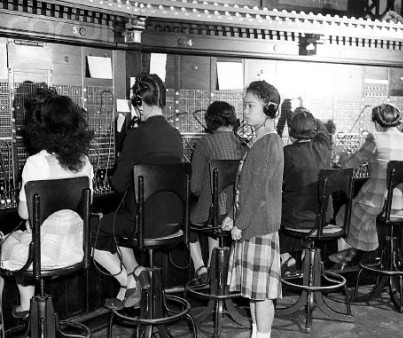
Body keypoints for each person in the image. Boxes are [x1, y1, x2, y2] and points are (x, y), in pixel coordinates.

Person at [91, 72, 183, 310]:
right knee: (117, 228)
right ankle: (134, 278)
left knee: (90, 231)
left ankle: (132, 279)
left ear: (139, 103)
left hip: (140, 222)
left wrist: (123, 147)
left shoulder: (137, 134)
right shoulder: (176, 136)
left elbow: (118, 185)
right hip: (172, 224)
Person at [0, 94, 94, 319]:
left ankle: (18, 313)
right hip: (76, 251)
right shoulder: (85, 162)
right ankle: (28, 308)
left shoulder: (37, 163)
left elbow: (24, 212)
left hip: (43, 255)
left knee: (7, 243)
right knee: (20, 242)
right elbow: (88, 205)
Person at [222, 80, 284, 338]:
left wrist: (240, 223)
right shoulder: (259, 140)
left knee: (261, 294)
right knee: (253, 292)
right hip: (251, 224)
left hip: (258, 226)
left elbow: (258, 192)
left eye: (250, 106)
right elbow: (244, 189)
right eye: (244, 104)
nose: (244, 111)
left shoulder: (269, 143)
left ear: (269, 109)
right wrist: (233, 217)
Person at [330, 103, 403, 264]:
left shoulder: (375, 138)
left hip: (376, 201)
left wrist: (342, 156)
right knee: (363, 216)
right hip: (397, 203)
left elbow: (352, 163)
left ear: (376, 122)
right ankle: (353, 253)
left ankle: (347, 253)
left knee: (343, 213)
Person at [189, 101, 242, 283]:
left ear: (210, 120)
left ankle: (200, 268)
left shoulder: (204, 143)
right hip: (235, 214)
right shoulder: (243, 145)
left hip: (212, 213)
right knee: (215, 219)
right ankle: (215, 269)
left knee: (185, 219)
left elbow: (195, 187)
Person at [280, 107, 333, 275]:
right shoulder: (324, 147)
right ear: (314, 130)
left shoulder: (286, 152)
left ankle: (286, 257)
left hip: (295, 220)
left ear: (290, 133)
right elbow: (322, 129)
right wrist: (306, 113)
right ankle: (307, 256)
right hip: (323, 220)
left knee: (275, 214)